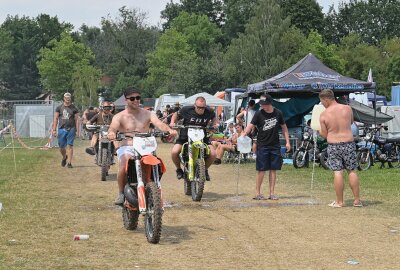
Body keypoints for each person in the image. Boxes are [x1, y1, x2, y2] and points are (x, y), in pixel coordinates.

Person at [107, 87, 177, 205]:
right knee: (123, 164)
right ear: (126, 100)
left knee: (153, 165)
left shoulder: (148, 114)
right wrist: (111, 133)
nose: (136, 100)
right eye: (132, 98)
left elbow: (159, 124)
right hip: (127, 146)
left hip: (145, 146)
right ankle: (120, 193)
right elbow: (113, 128)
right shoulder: (119, 116)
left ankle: (150, 187)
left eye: (138, 98)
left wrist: (169, 130)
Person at [318, 89, 362, 208]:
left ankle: (340, 202)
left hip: (334, 145)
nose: (322, 104)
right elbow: (351, 122)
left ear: (326, 99)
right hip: (348, 143)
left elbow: (324, 134)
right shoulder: (347, 108)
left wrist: (318, 131)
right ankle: (357, 200)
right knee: (352, 170)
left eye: (322, 101)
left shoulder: (324, 115)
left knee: (338, 172)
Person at [242, 94, 291, 200]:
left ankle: (272, 193)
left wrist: (287, 142)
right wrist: (244, 133)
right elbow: (251, 125)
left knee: (273, 170)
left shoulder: (278, 113)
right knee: (261, 169)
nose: (263, 106)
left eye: (264, 104)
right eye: (261, 104)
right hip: (262, 145)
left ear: (270, 103)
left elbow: (284, 128)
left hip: (275, 145)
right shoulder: (259, 114)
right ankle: (258, 193)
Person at [170, 96, 218, 181]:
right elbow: (176, 114)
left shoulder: (209, 111)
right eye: (198, 107)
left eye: (202, 108)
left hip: (202, 136)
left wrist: (215, 124)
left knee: (213, 154)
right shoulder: (186, 109)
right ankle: (179, 169)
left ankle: (205, 170)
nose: (200, 109)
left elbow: (214, 117)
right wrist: (172, 122)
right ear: (194, 105)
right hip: (185, 136)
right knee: (174, 152)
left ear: (205, 106)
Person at [52, 92, 80, 168]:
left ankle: (69, 163)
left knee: (70, 146)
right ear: (64, 98)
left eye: (69, 98)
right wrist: (54, 129)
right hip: (61, 129)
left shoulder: (74, 108)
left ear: (70, 98)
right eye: (66, 98)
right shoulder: (59, 108)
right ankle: (64, 157)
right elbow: (56, 118)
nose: (67, 99)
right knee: (61, 147)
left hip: (71, 129)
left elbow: (77, 120)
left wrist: (77, 131)